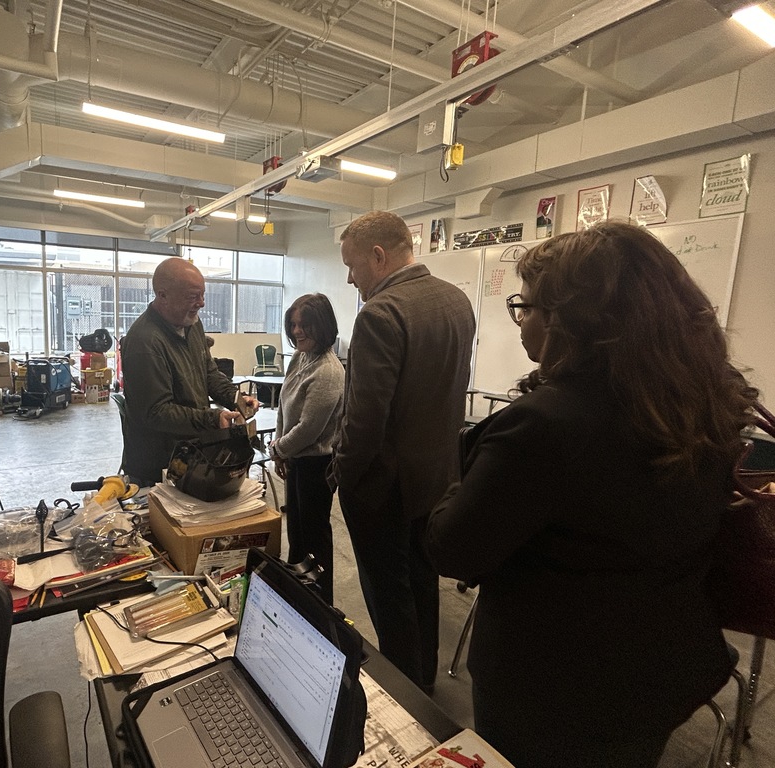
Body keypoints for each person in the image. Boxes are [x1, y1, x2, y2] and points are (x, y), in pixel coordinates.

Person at [425, 222, 757, 767]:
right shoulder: (701, 406)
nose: (521, 320)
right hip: (659, 671)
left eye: (524, 307)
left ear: (566, 323)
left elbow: (452, 549)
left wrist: (462, 463)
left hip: (553, 686)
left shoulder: (540, 426)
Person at [332, 211, 475, 693]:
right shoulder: (456, 301)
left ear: (379, 256)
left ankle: (406, 693)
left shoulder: (379, 314)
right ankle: (426, 682)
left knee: (389, 596)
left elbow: (364, 419)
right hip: (438, 478)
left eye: (352, 266)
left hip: (383, 488)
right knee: (422, 586)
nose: (350, 278)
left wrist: (342, 473)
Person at [122, 257, 259, 486]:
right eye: (192, 296)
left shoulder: (192, 324)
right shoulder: (144, 342)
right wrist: (212, 418)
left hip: (192, 453)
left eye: (202, 294)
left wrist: (236, 399)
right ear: (162, 295)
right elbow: (156, 412)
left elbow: (209, 372)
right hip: (158, 465)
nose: (202, 303)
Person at [268, 293, 345, 604]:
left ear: (323, 326)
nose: (297, 331)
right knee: (296, 534)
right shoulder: (301, 358)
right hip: (297, 459)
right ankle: (297, 596)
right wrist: (280, 447)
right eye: (294, 324)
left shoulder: (327, 370)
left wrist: (279, 450)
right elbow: (284, 408)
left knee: (314, 537)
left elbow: (309, 429)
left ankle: (320, 602)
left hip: (317, 465)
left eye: (305, 325)